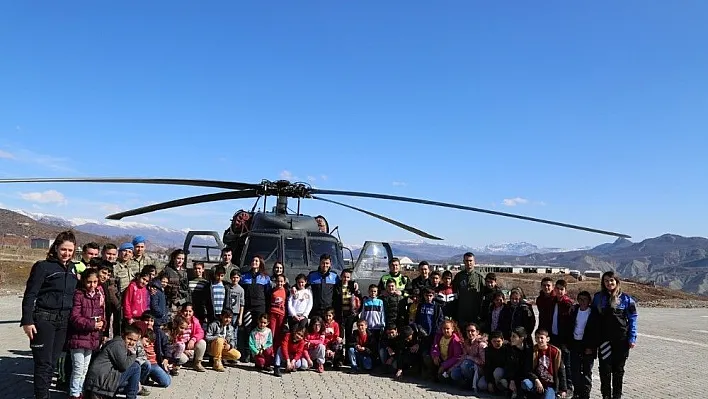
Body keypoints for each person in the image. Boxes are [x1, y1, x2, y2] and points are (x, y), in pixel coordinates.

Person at [20, 230, 80, 399]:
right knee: (43, 364)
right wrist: (27, 320)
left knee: (53, 363)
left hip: (63, 322)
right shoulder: (43, 266)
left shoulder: (73, 268)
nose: (66, 253)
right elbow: (30, 294)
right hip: (43, 320)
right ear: (55, 248)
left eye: (70, 250)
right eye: (63, 249)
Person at [592, 271, 638, 399]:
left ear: (617, 282)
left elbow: (633, 319)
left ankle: (617, 396)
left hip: (621, 341)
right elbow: (593, 319)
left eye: (611, 280)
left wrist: (632, 338)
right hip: (604, 341)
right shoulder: (598, 298)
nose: (609, 283)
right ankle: (606, 396)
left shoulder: (627, 299)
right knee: (604, 370)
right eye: (606, 280)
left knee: (618, 371)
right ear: (603, 283)